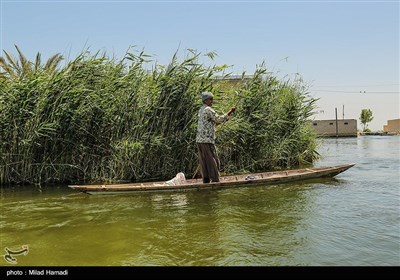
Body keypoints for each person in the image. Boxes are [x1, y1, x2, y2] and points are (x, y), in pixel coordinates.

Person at [196, 91, 236, 183]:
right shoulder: (208, 110)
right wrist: (231, 111)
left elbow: (212, 122)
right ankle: (215, 180)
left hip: (199, 140)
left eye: (212, 99)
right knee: (213, 161)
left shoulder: (201, 109)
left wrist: (216, 124)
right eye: (210, 99)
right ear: (205, 100)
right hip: (207, 141)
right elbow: (219, 119)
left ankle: (206, 180)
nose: (212, 101)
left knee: (204, 162)